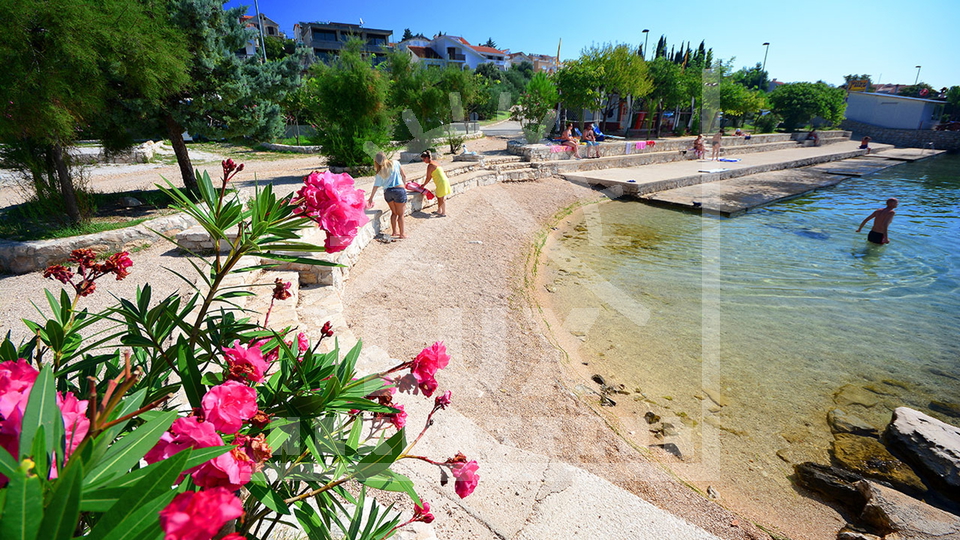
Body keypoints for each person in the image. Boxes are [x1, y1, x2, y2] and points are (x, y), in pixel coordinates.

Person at [368, 152, 408, 239]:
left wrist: (371, 198)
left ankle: (394, 232)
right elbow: (404, 175)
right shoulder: (396, 163)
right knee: (401, 214)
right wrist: (403, 187)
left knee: (394, 213)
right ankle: (402, 234)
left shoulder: (380, 171)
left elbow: (376, 186)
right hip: (399, 190)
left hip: (388, 192)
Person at [418, 150, 451, 216]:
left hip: (441, 182)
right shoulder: (435, 163)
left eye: (423, 159)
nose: (423, 161)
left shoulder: (430, 166)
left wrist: (423, 185)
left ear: (427, 158)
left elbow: (428, 177)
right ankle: (439, 211)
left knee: (441, 198)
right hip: (443, 181)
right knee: (439, 197)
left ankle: (443, 213)